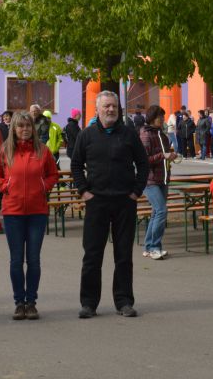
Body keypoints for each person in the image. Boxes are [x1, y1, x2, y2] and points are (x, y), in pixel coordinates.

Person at [70, 91, 148, 319]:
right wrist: (84, 191)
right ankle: (88, 304)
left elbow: (143, 164)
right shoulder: (86, 135)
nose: (111, 110)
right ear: (97, 109)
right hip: (97, 202)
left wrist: (136, 191)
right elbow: (76, 165)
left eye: (114, 106)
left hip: (125, 202)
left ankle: (124, 302)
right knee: (92, 255)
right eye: (106, 106)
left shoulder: (129, 134)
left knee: (123, 255)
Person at [0, 112, 59, 320]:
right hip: (13, 212)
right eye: (20, 126)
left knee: (34, 260)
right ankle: (19, 303)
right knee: (16, 260)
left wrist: (44, 186)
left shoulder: (43, 150)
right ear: (14, 129)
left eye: (28, 126)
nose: (25, 129)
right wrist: (4, 186)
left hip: (37, 212)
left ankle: (31, 303)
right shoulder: (5, 150)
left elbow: (53, 174)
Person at [139, 105, 176, 260]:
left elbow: (164, 154)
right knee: (161, 211)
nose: (161, 119)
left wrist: (171, 155)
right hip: (149, 180)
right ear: (151, 118)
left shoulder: (162, 135)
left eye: (162, 116)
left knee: (156, 212)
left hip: (163, 178)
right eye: (159, 116)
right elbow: (143, 160)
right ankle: (154, 247)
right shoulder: (146, 135)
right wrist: (163, 156)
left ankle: (149, 247)